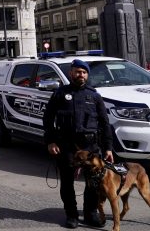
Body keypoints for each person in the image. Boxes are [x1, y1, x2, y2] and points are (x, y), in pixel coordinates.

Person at [43, 59, 113, 228]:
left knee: (93, 183)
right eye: (77, 71)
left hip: (90, 147)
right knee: (67, 183)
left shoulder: (94, 95)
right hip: (66, 145)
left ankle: (90, 214)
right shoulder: (60, 93)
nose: (80, 75)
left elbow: (104, 123)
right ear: (71, 73)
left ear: (87, 75)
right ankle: (71, 215)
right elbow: (48, 118)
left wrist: (108, 148)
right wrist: (51, 141)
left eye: (83, 72)